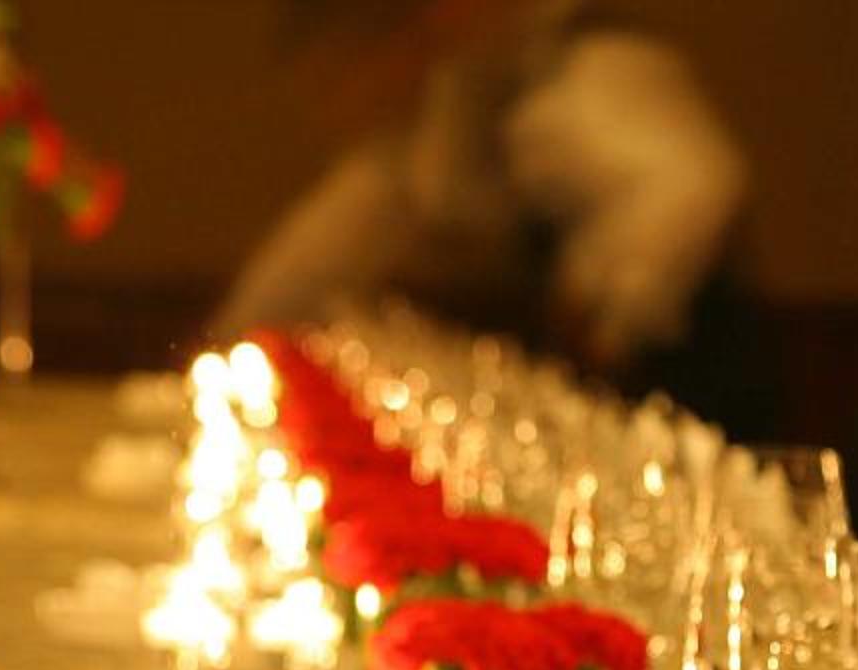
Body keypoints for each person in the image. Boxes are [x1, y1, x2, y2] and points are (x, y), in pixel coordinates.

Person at [216, 0, 750, 409]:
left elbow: (697, 185)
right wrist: (238, 339)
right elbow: (342, 236)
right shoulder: (460, 99)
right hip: (578, 413)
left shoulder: (587, 66)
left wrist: (598, 327)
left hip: (684, 404)